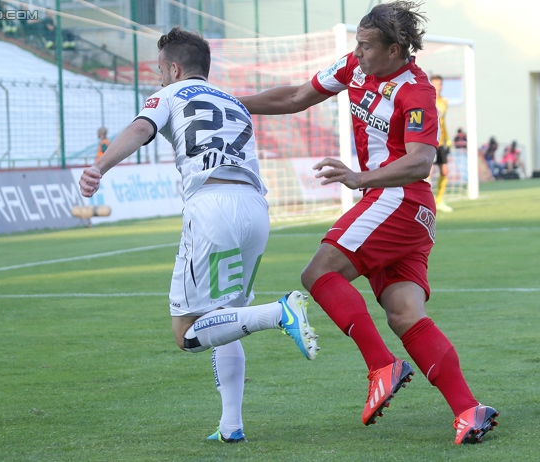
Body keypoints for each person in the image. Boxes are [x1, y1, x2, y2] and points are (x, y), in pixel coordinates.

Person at [238, 0, 498, 445]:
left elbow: (420, 161)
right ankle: (468, 410)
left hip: (396, 198)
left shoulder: (416, 92)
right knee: (404, 314)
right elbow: (298, 96)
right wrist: (228, 103)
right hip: (404, 210)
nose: (357, 53)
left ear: (396, 50)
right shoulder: (355, 69)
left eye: (366, 46)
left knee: (318, 273)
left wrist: (361, 178)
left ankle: (382, 366)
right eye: (356, 44)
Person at [79, 26, 319, 443]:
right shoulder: (234, 102)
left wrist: (100, 166)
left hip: (211, 207)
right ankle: (231, 426)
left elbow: (140, 129)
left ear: (174, 68)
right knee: (226, 319)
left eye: (159, 70)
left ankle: (279, 313)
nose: (158, 78)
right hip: (256, 209)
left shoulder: (169, 95)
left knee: (188, 333)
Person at [430, 75, 453, 212]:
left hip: (442, 141)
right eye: (435, 84)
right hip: (430, 142)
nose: (437, 87)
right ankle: (428, 201)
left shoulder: (444, 102)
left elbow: (442, 123)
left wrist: (448, 139)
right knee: (429, 172)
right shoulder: (427, 100)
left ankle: (440, 200)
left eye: (439, 84)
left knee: (444, 171)